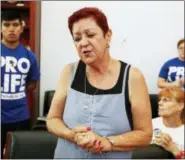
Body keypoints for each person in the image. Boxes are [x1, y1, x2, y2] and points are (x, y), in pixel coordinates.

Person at [46, 7, 152, 159]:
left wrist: (107, 142)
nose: (83, 43)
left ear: (107, 36)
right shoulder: (69, 72)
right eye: (77, 38)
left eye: (90, 35)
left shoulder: (132, 77)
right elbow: (52, 120)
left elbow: (145, 134)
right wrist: (71, 135)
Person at [1, 10, 40, 158]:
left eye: (15, 25)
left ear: (21, 28)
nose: (11, 29)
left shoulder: (30, 56)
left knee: (18, 155)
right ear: (1, 28)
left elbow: (33, 84)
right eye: (6, 25)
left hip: (20, 117)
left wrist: (15, 91)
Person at [151, 87, 184, 159]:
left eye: (165, 100)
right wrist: (152, 144)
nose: (159, 103)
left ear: (180, 106)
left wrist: (173, 149)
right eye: (160, 100)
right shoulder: (150, 124)